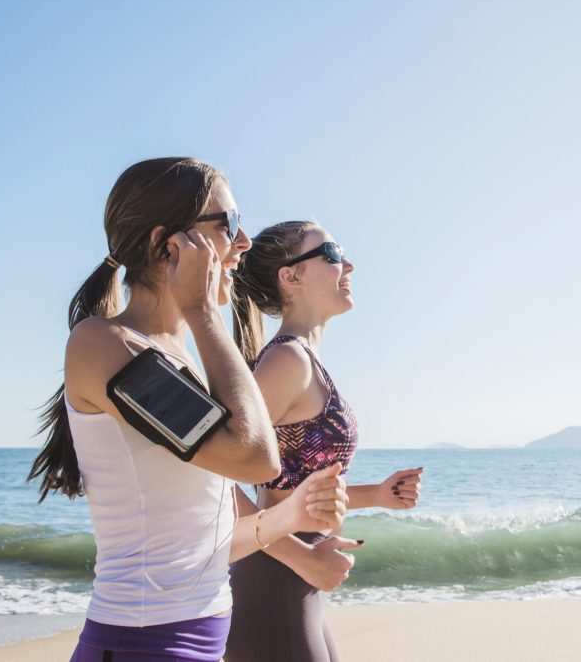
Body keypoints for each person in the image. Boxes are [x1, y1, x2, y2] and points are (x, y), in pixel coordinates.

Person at [28, 158, 351, 662]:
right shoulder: (104, 343)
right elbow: (255, 459)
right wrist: (202, 311)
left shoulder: (178, 362)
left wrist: (294, 519)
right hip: (141, 644)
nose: (243, 244)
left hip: (197, 639)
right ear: (169, 245)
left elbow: (207, 541)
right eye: (230, 225)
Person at [225, 220, 424, 662]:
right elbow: (208, 478)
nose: (348, 264)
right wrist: (299, 556)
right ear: (290, 276)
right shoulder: (287, 361)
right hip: (278, 577)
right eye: (332, 254)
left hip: (298, 586)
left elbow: (291, 489)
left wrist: (377, 495)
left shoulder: (303, 360)